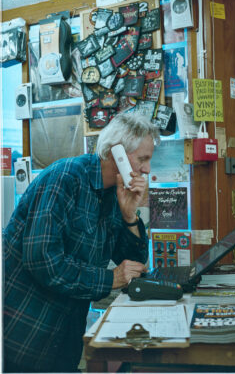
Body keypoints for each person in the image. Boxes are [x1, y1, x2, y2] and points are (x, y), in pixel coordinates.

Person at [3, 112, 160, 373]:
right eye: (142, 159)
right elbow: (43, 260)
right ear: (115, 153)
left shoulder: (115, 191)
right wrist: (110, 279)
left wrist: (130, 216)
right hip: (22, 335)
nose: (147, 169)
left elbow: (134, 260)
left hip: (64, 339)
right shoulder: (65, 177)